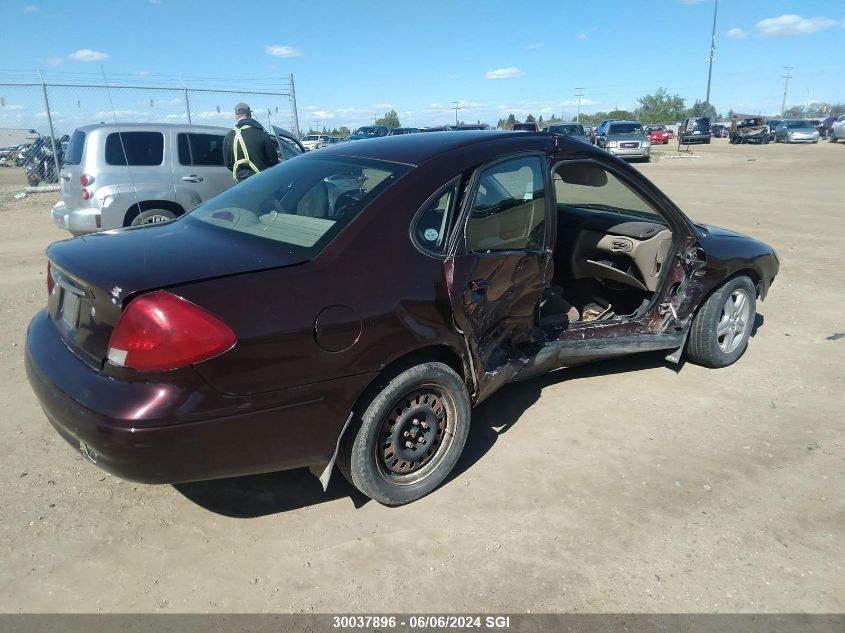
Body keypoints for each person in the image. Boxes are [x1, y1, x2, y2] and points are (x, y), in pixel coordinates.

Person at [222, 102, 279, 181]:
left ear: (236, 116)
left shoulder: (228, 137)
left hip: (242, 184)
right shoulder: (261, 134)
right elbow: (273, 159)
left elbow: (228, 164)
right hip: (262, 181)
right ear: (249, 115)